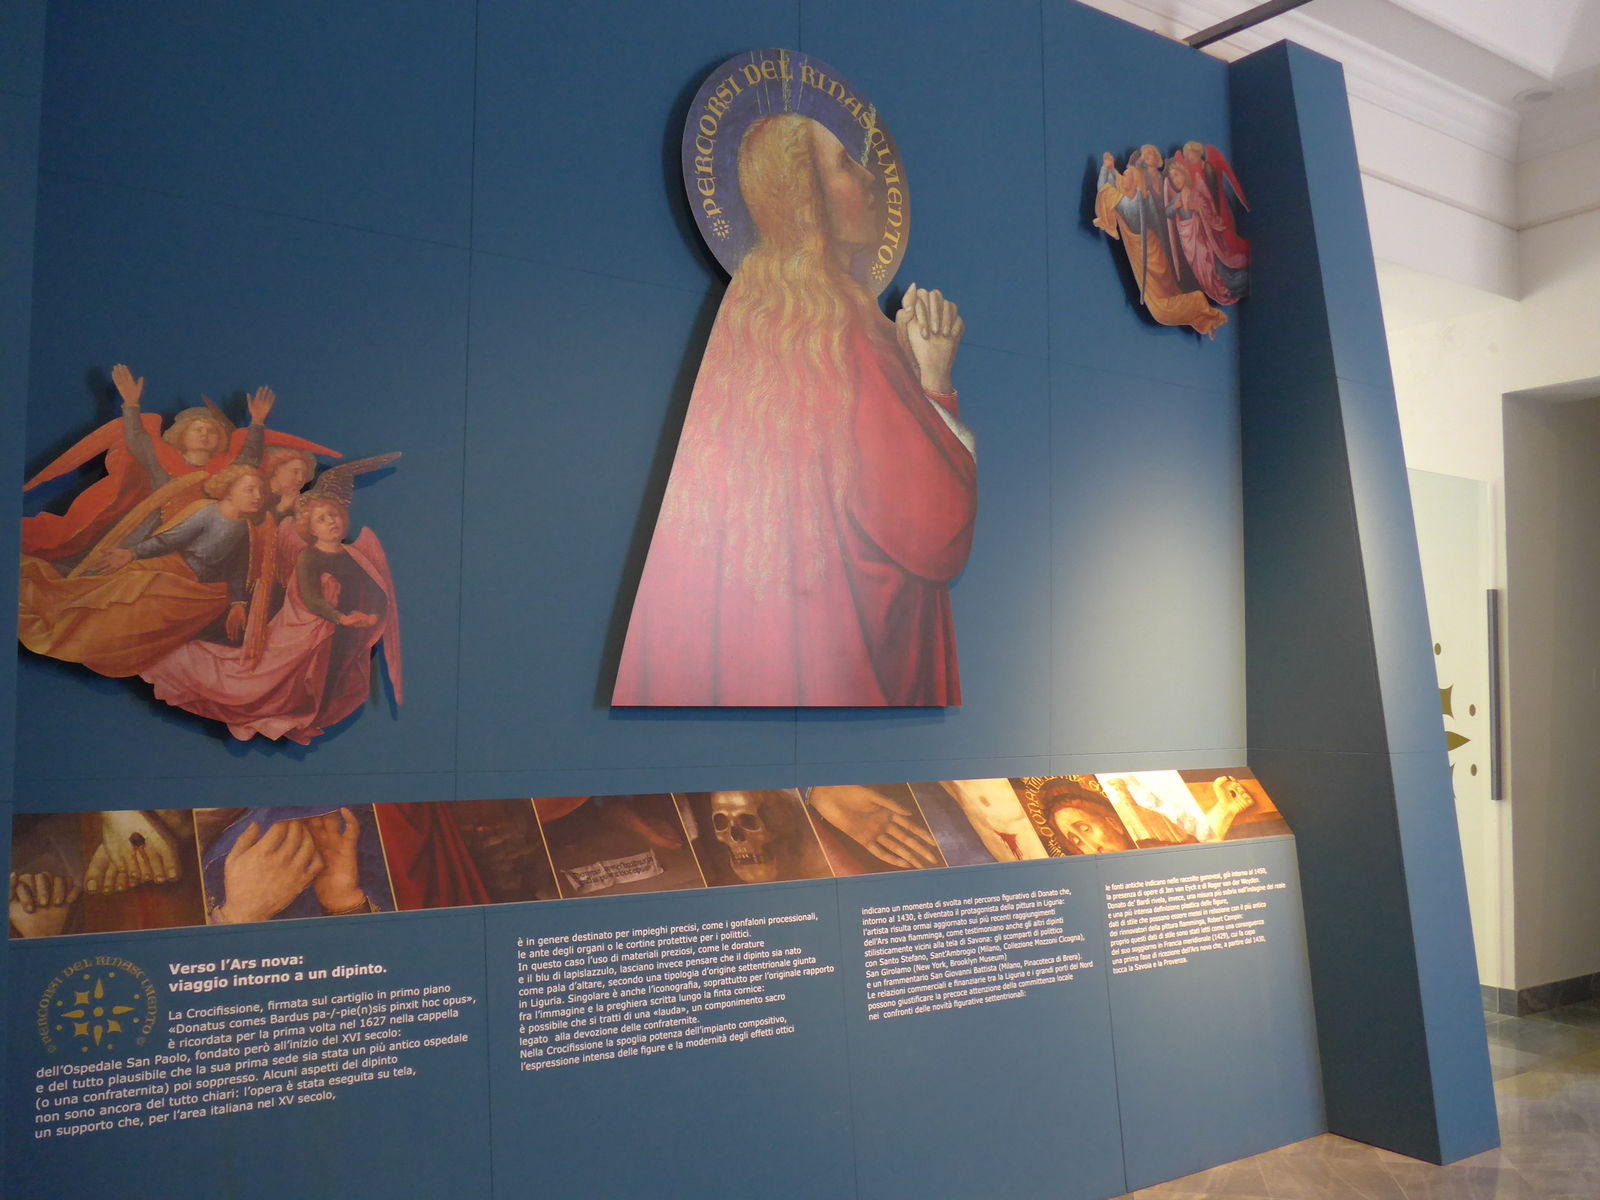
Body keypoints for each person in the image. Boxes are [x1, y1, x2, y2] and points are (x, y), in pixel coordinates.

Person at [615, 113, 976, 706]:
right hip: (844, 660)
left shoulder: (754, 315)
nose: (870, 179)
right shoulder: (850, 333)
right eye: (845, 164)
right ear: (806, 198)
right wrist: (934, 378)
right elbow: (932, 527)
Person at [139, 455, 401, 743]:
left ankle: (295, 712)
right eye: (322, 519)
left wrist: (371, 615)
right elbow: (310, 598)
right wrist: (340, 617)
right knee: (261, 679)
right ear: (310, 528)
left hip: (331, 633)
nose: (331, 522)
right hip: (303, 629)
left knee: (310, 681)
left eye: (334, 516)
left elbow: (373, 592)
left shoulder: (355, 556)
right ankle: (194, 672)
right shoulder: (309, 557)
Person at [18, 464, 276, 677]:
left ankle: (92, 640)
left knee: (136, 607)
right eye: (249, 489)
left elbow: (238, 568)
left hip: (194, 588)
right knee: (124, 591)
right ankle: (69, 632)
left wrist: (238, 603)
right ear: (228, 491)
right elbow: (169, 540)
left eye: (261, 491)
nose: (257, 496)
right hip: (173, 571)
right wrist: (132, 553)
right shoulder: (209, 513)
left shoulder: (244, 529)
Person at [1094, 149, 1226, 337]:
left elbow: (1105, 190)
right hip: (1153, 249)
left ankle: (1198, 306)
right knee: (1164, 294)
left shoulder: (1128, 204)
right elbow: (1112, 188)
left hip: (1149, 254)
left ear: (1135, 182)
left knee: (1160, 303)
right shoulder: (1138, 198)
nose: (1123, 179)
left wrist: (1106, 169)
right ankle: (1199, 311)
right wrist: (1109, 169)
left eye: (1127, 176)